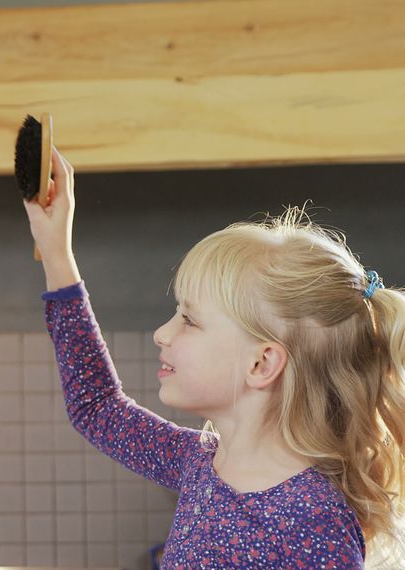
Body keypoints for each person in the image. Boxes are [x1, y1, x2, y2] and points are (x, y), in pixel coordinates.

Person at [23, 148, 405, 568]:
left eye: (189, 320)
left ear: (261, 364)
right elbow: (96, 407)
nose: (161, 333)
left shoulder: (312, 521)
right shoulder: (200, 465)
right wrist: (57, 253)